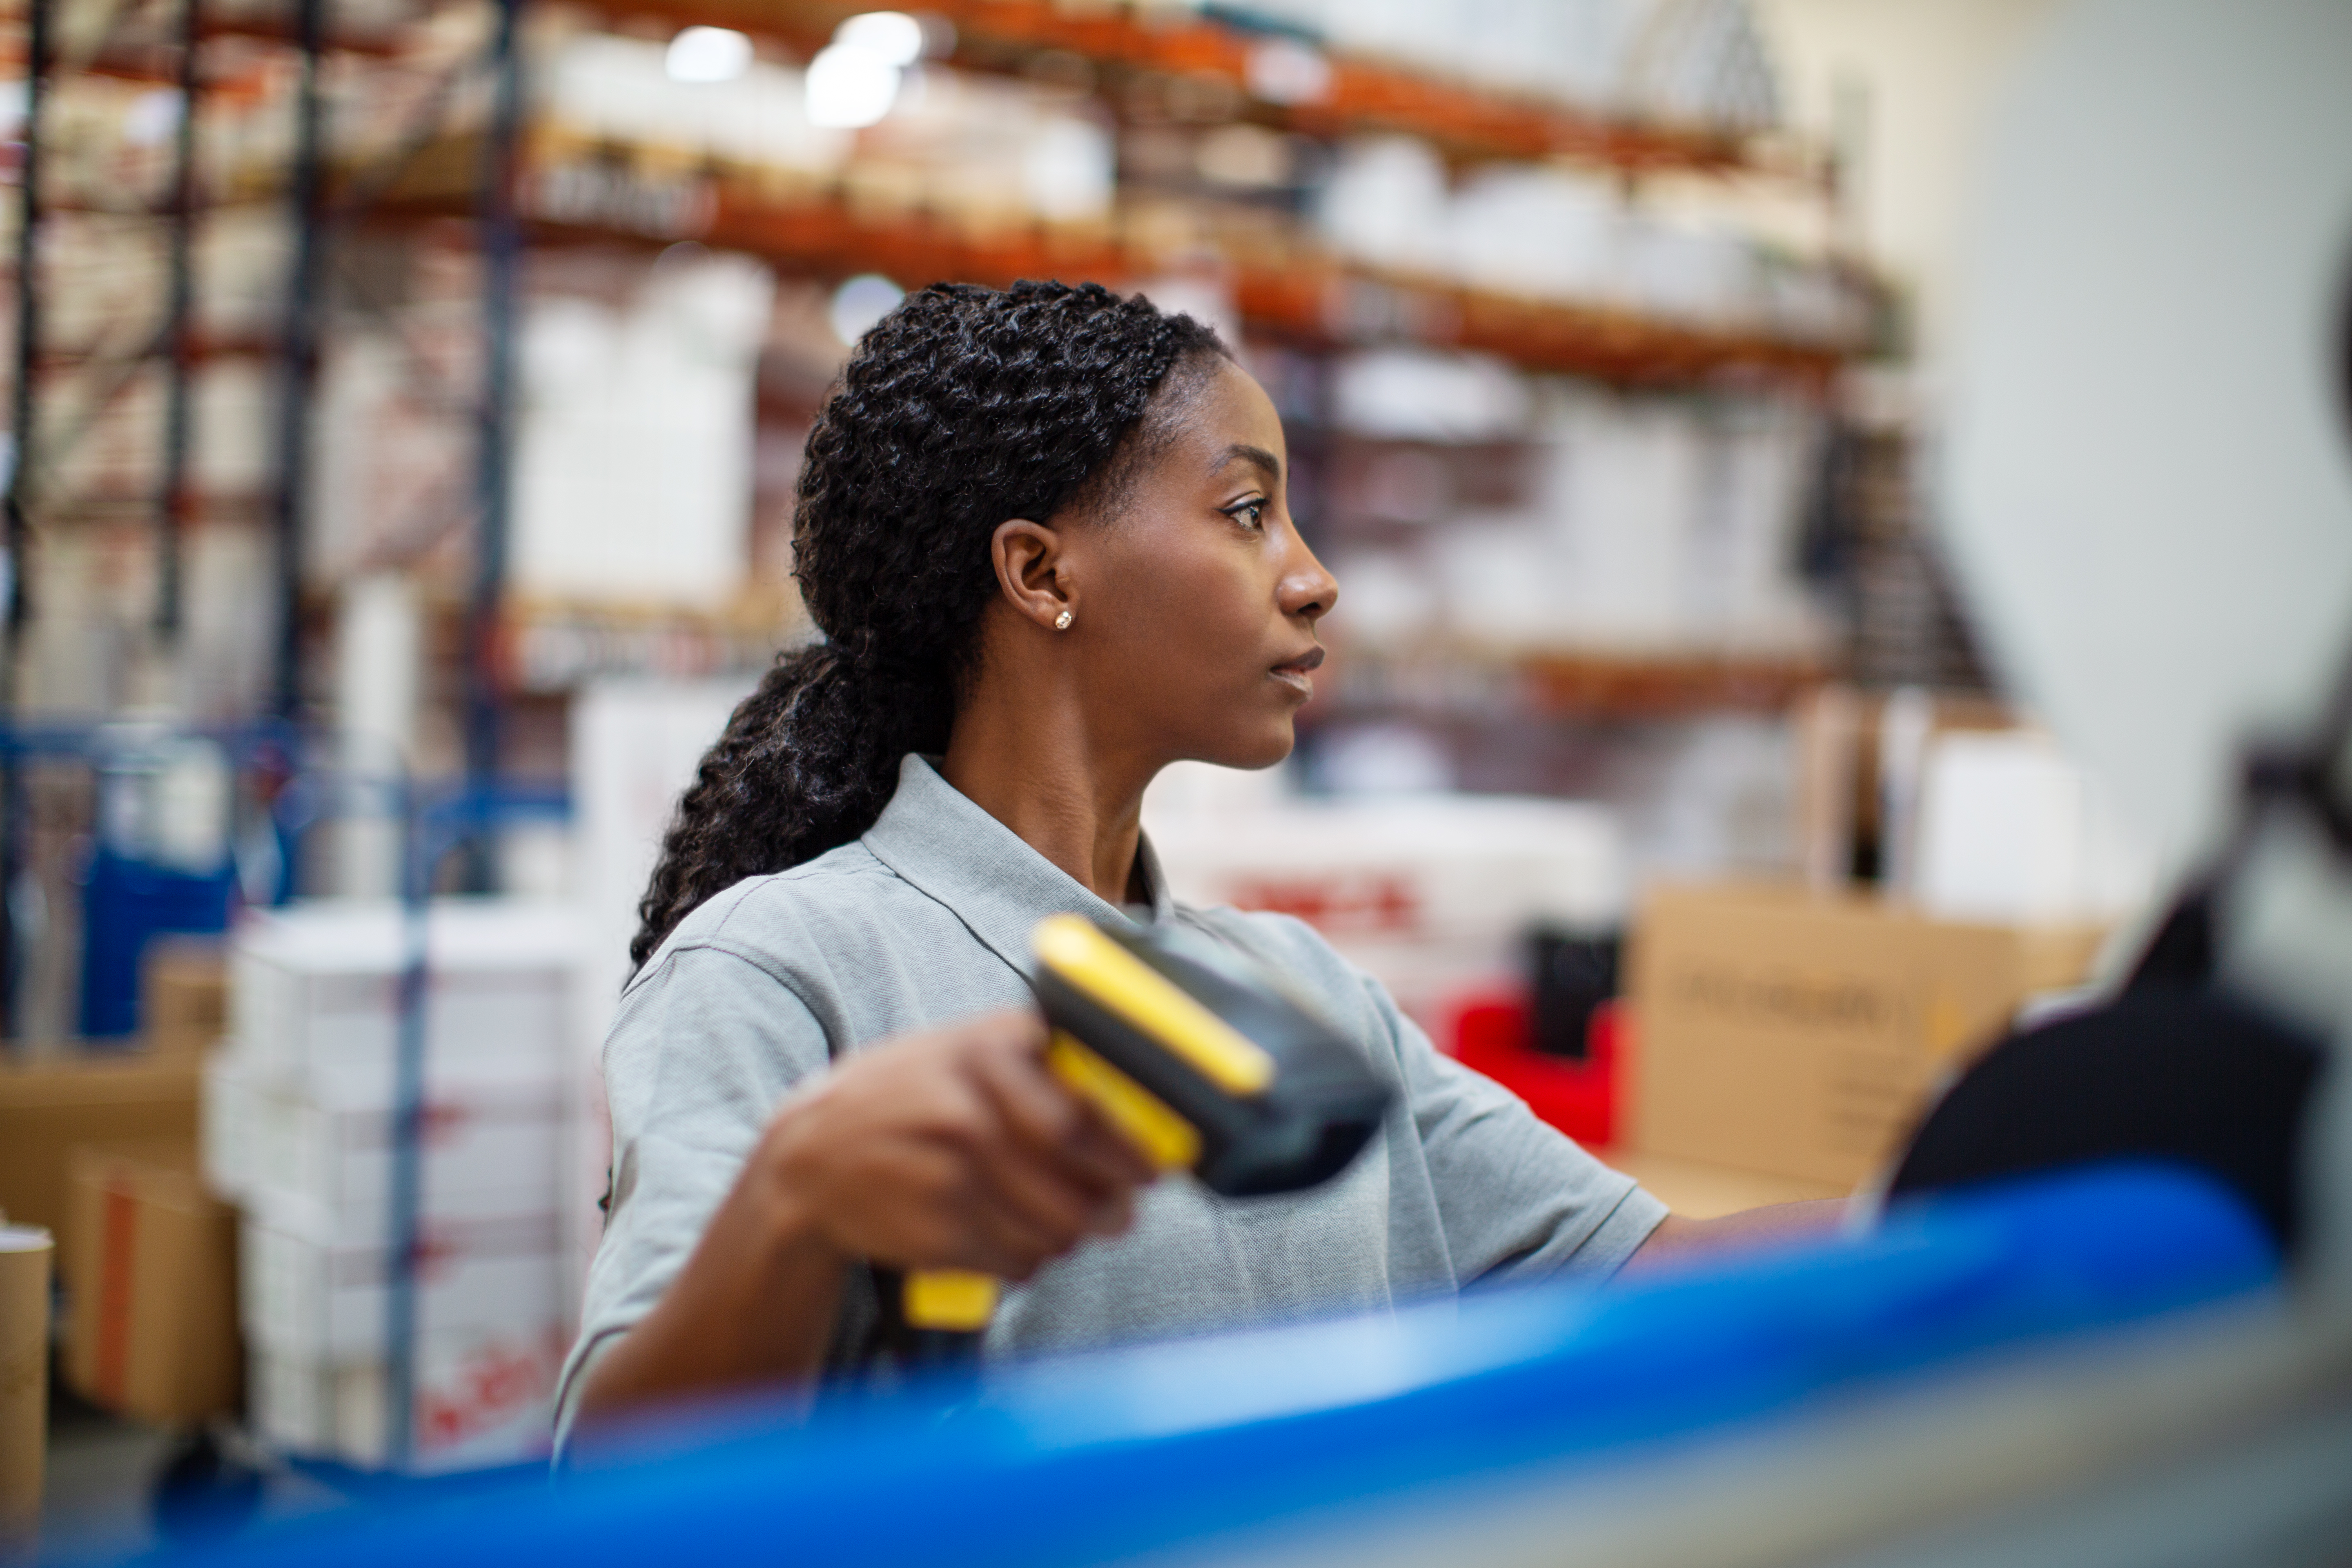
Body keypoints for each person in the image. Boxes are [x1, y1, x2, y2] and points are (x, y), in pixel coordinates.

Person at [560, 280, 1837, 1442]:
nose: (1316, 579)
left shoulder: (1298, 1000)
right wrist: (796, 1210)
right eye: (1247, 513)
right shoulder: (779, 969)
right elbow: (612, 1479)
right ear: (1040, 572)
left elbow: (1658, 1268)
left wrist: (1979, 1194)